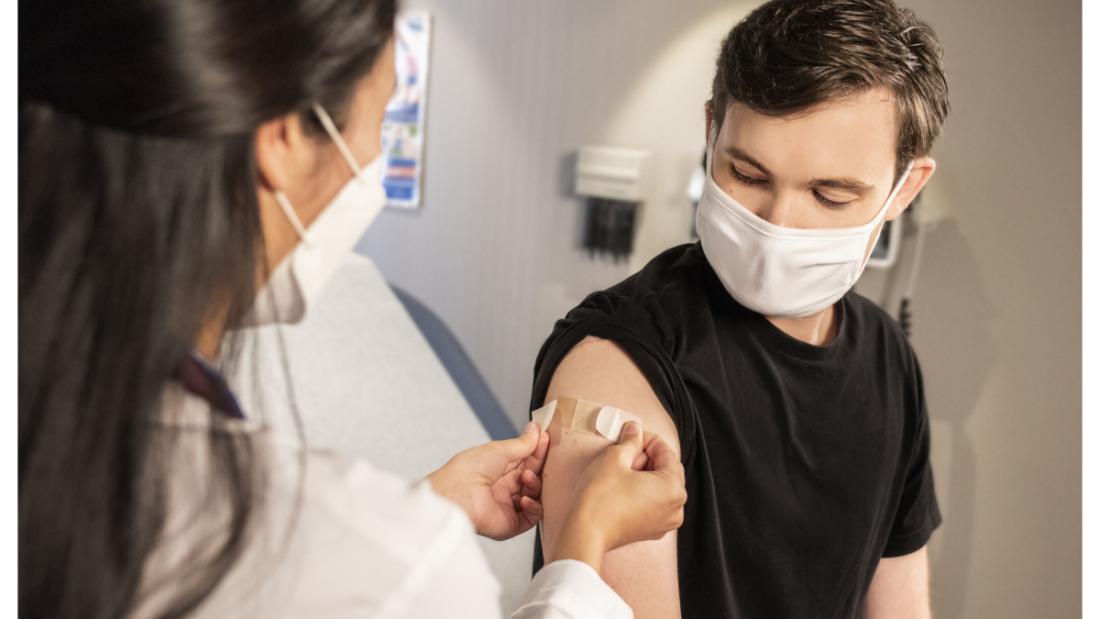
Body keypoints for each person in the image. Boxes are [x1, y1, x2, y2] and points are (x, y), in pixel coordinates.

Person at [16, 1, 687, 618]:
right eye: (386, 117)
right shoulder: (391, 566)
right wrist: (579, 550)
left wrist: (428, 505)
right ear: (283, 138)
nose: (374, 158)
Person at [531, 1, 949, 617]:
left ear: (904, 189)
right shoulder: (619, 358)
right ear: (712, 132)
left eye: (829, 195)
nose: (777, 225)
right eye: (748, 174)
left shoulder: (891, 361)